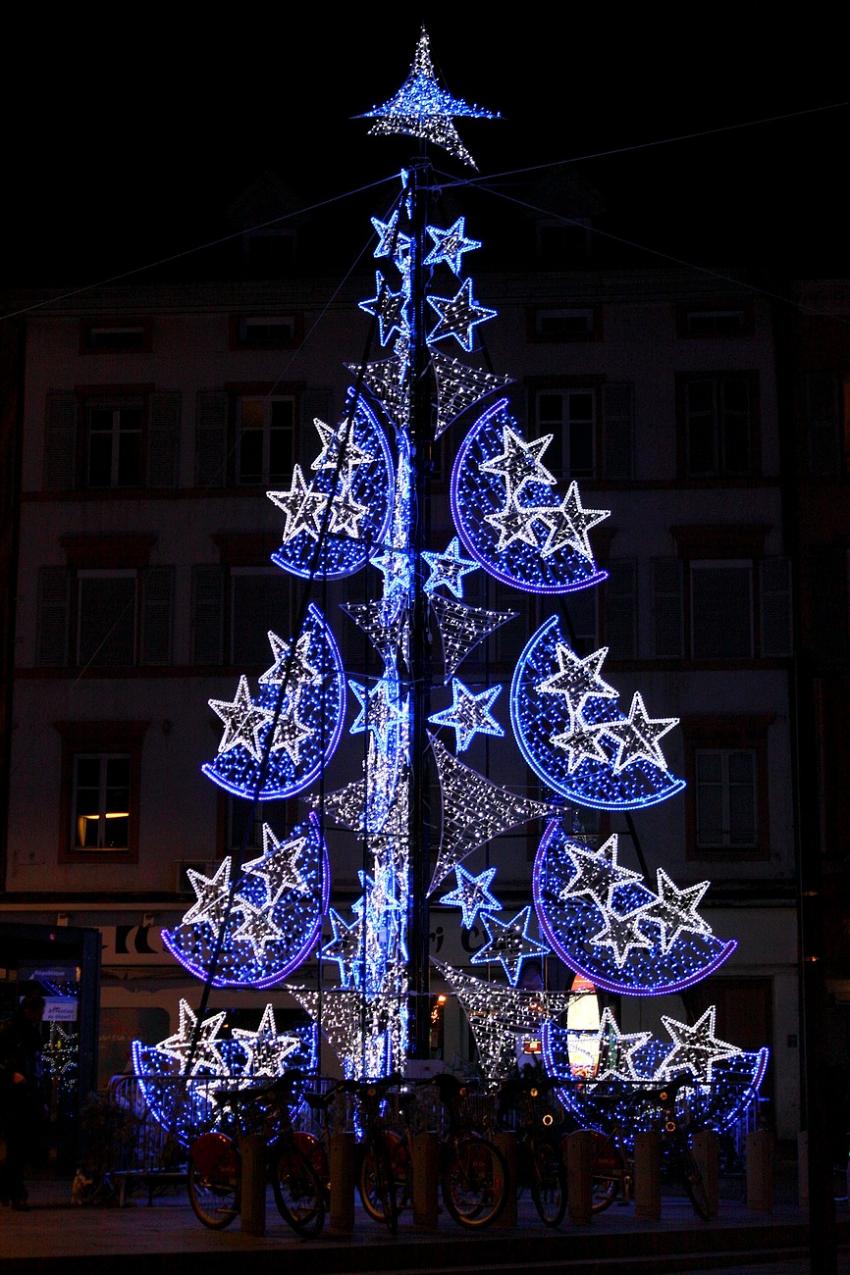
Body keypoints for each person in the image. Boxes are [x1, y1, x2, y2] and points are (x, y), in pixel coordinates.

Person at [0, 983, 46, 1210]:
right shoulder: (17, 1031)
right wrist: (12, 1075)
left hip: (20, 1093)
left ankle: (11, 1190)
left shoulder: (20, 1030)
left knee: (16, 1146)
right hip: (16, 1095)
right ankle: (15, 1191)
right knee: (17, 1145)